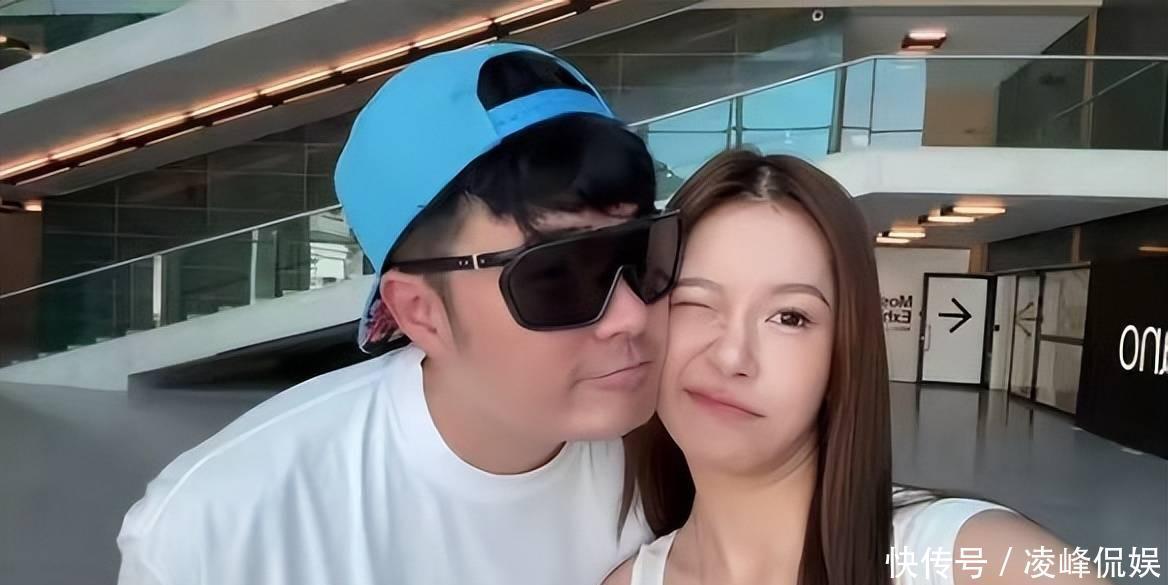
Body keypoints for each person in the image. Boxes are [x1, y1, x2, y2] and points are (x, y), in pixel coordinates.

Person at [116, 43, 682, 585]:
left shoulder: (693, 438)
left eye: (642, 251)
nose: (631, 315)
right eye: (557, 275)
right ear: (420, 312)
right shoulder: (221, 529)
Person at [605, 150, 1108, 585]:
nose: (731, 355)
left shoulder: (977, 562)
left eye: (790, 317)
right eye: (694, 302)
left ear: (842, 355)